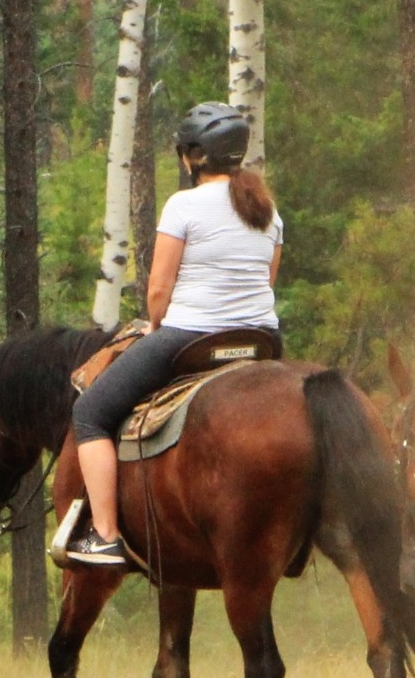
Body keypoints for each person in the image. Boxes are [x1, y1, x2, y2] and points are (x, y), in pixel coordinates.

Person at [61, 103, 283, 569]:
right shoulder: (267, 211)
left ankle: (104, 535)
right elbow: (267, 283)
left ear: (194, 156)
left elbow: (159, 288)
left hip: (192, 338)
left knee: (90, 413)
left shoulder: (183, 205)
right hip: (261, 340)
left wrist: (155, 326)